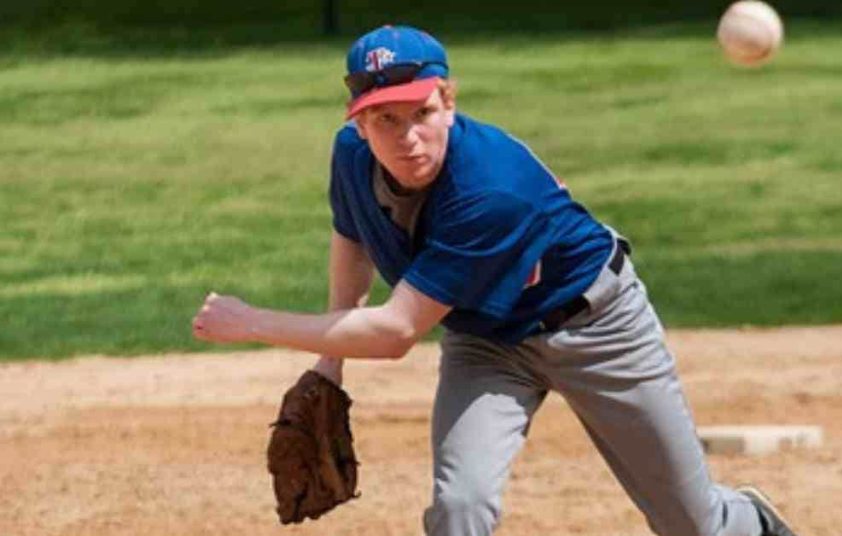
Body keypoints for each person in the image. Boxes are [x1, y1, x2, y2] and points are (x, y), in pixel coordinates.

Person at [191, 24, 800, 536]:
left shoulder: (489, 189)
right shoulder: (351, 156)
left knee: (694, 525)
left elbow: (398, 330)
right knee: (460, 507)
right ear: (358, 124)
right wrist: (328, 365)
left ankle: (751, 520)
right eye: (384, 120)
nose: (406, 138)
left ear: (449, 104)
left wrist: (251, 323)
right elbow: (354, 238)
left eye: (422, 113)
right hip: (487, 342)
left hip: (596, 328)